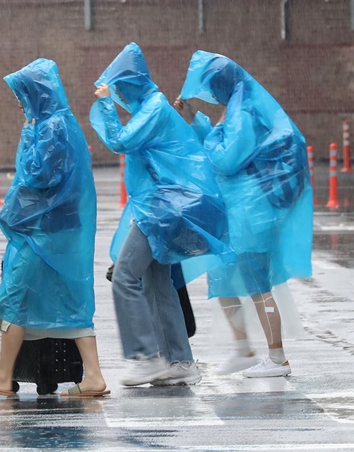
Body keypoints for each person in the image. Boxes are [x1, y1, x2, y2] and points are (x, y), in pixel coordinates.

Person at [0, 58, 108, 397]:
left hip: (44, 233)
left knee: (15, 295)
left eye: (22, 94)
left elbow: (40, 178)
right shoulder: (61, 122)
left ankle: (2, 376)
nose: (19, 102)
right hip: (60, 231)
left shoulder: (50, 128)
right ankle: (95, 377)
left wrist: (28, 135)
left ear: (37, 93)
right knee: (70, 301)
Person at [90, 43, 232, 387]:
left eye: (121, 87)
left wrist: (106, 104)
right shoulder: (151, 108)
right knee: (157, 282)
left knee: (125, 276)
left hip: (164, 206)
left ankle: (145, 357)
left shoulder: (153, 108)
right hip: (167, 204)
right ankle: (179, 362)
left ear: (132, 83)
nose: (120, 94)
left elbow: (120, 142)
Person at [176, 50, 313, 378]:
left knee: (256, 284)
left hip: (250, 213)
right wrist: (194, 120)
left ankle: (277, 358)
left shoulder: (244, 113)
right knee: (221, 275)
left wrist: (201, 141)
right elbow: (221, 147)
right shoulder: (236, 107)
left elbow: (225, 159)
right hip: (237, 210)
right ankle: (244, 349)